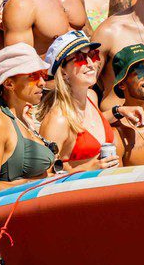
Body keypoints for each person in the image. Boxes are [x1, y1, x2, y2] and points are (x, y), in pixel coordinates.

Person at [0, 43, 60, 185]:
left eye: (43, 75)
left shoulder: (23, 118)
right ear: (9, 84)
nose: (42, 83)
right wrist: (33, 184)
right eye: (33, 76)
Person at [40, 30, 120, 171]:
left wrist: (120, 111)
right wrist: (88, 168)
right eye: (80, 58)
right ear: (63, 72)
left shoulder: (91, 97)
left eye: (92, 55)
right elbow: (45, 174)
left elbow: (91, 126)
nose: (90, 64)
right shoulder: (58, 120)